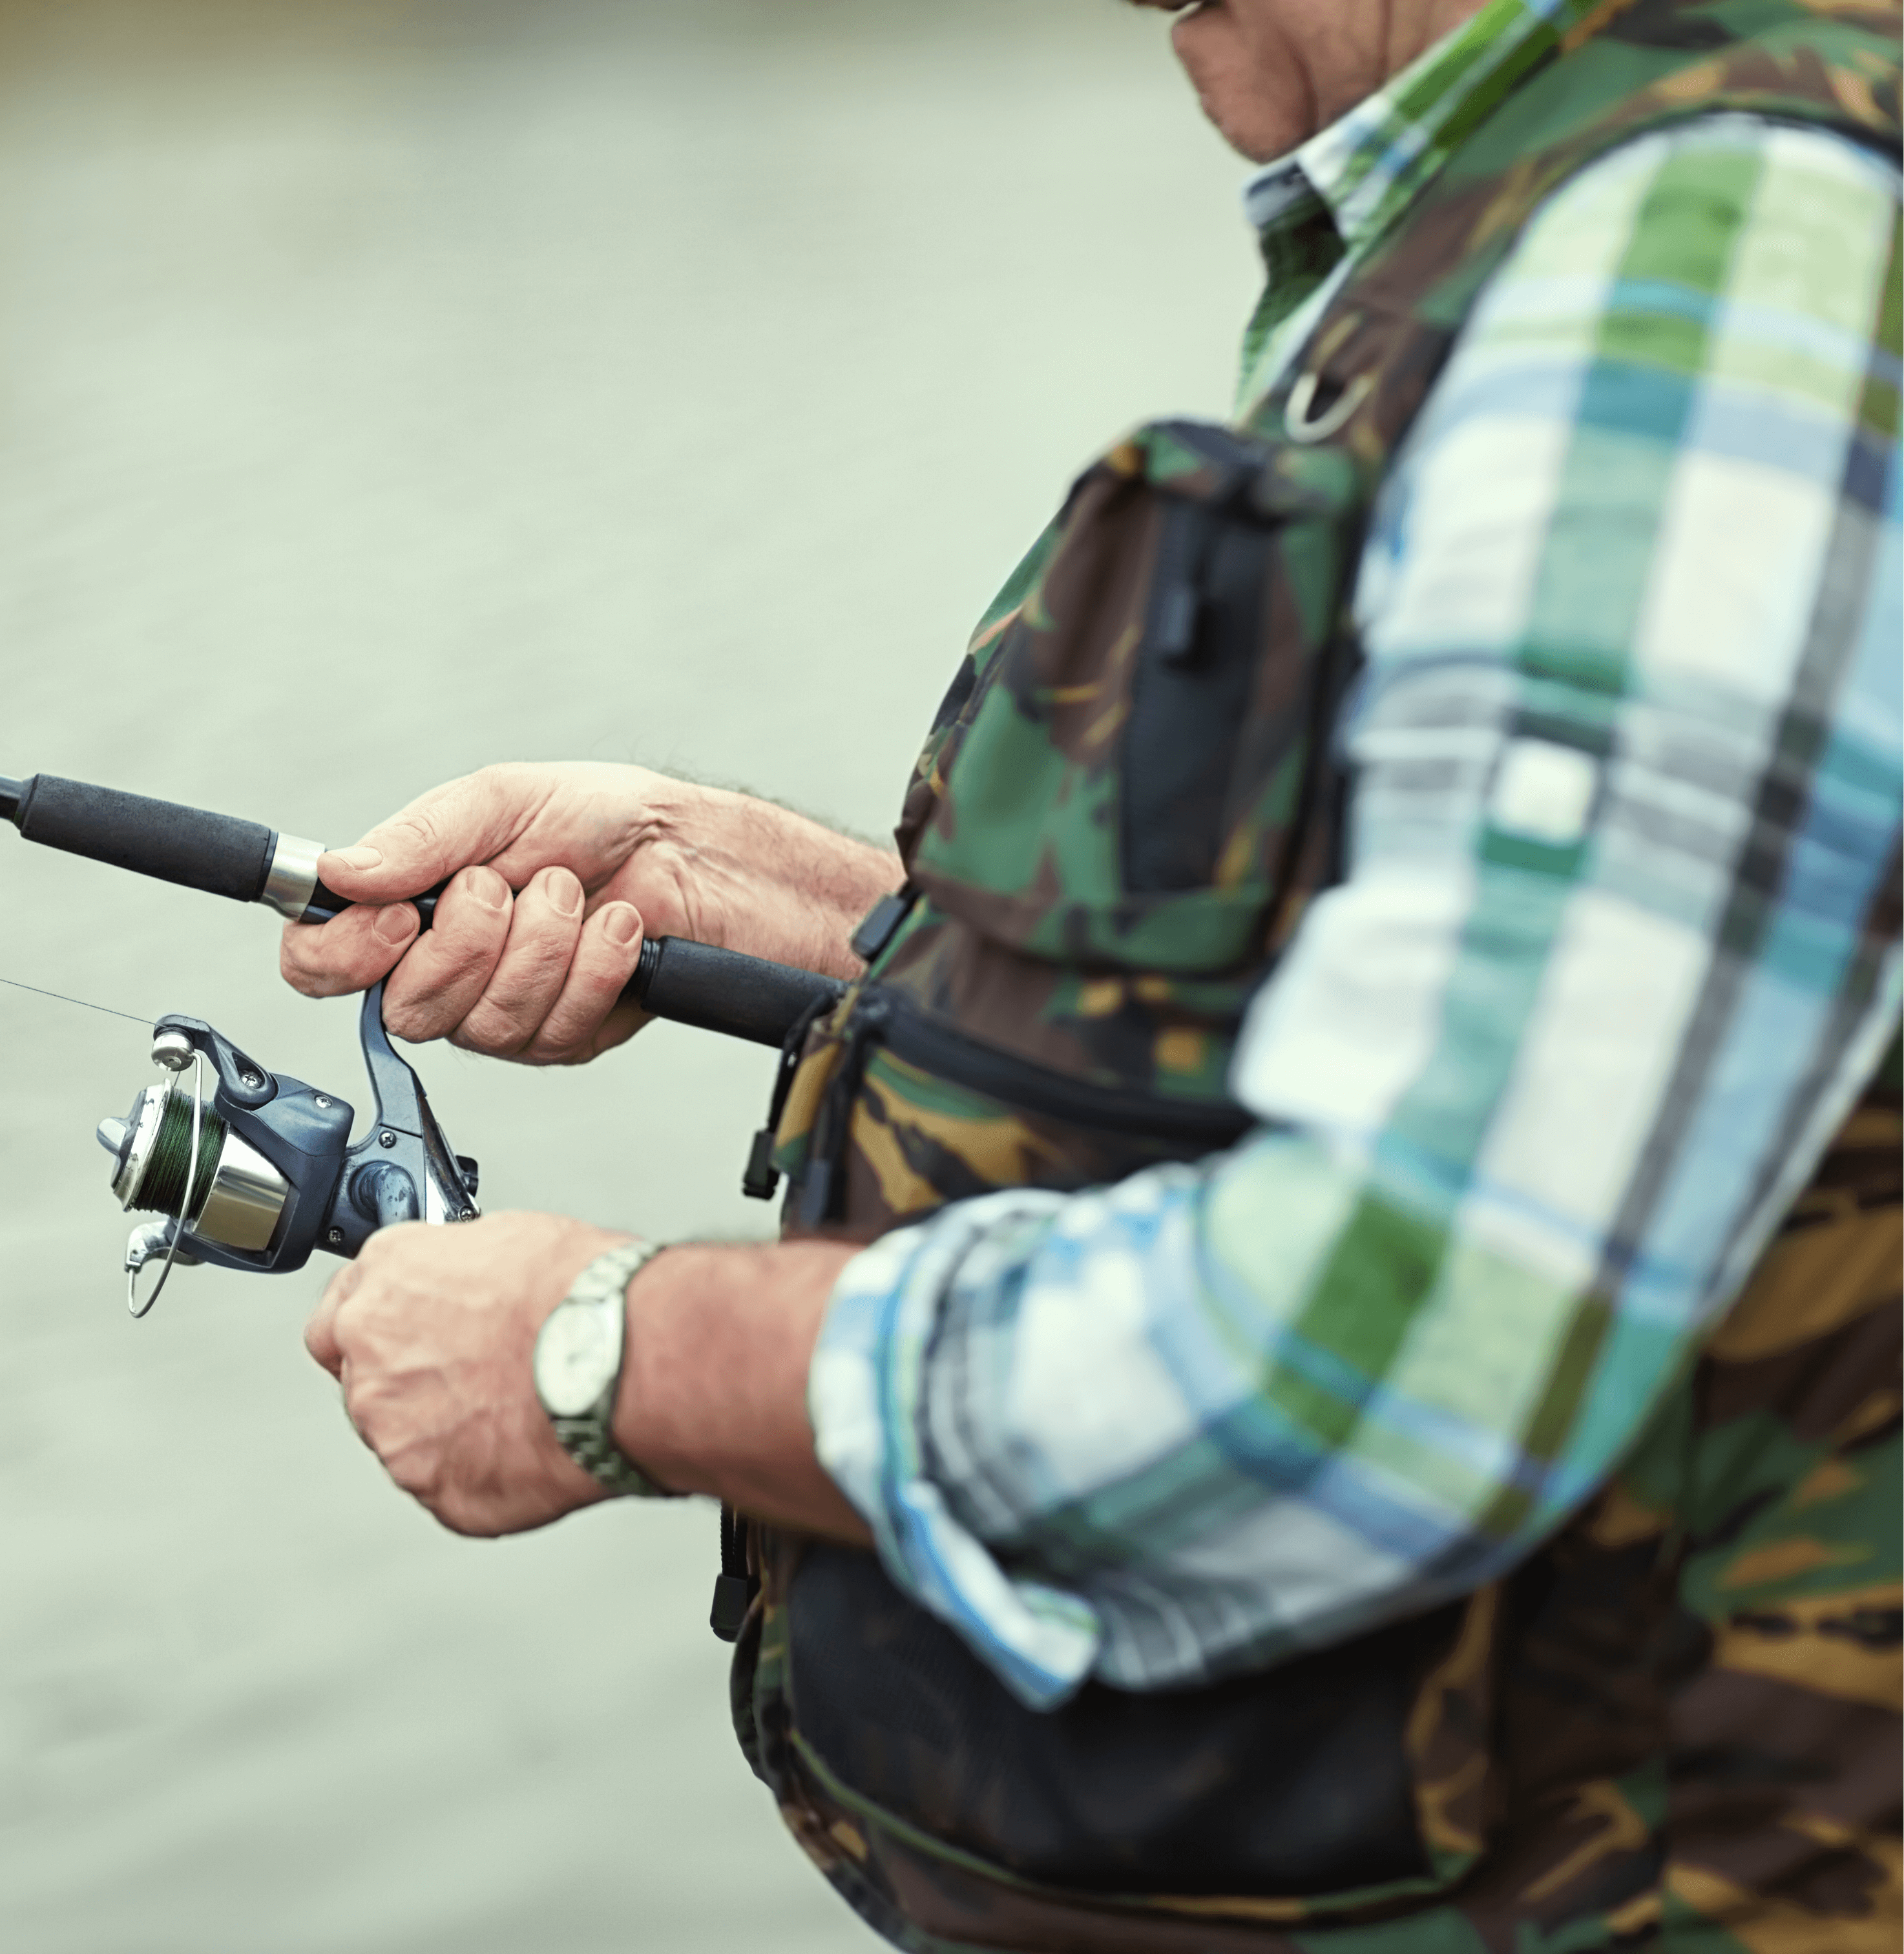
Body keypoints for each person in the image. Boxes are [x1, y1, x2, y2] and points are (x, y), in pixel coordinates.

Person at [282, 0, 1902, 1947]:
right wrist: (804, 920)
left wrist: (599, 1350)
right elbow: (1520, 1019)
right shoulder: (1543, 205)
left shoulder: (1725, 260)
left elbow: (1380, 1360)